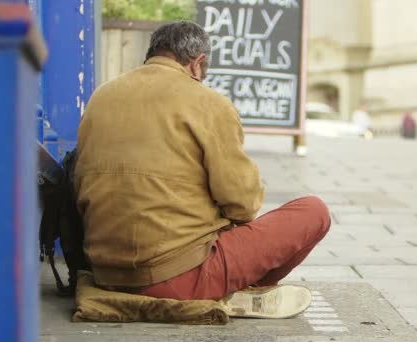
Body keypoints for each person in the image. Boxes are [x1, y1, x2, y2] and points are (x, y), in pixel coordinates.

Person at [74, 21, 331, 319]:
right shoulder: (209, 104)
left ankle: (232, 287)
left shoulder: (100, 97)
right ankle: (237, 287)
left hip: (106, 273)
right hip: (178, 277)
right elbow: (243, 205)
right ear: (198, 64)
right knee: (314, 211)